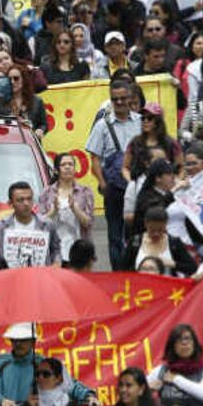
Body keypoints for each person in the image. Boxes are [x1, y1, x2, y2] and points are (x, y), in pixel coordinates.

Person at [85, 79, 140, 268]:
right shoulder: (102, 125)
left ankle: (136, 271)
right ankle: (118, 274)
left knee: (136, 234)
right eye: (115, 99)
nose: (119, 102)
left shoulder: (140, 122)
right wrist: (102, 183)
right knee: (115, 235)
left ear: (130, 98)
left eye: (123, 98)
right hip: (113, 188)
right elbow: (94, 157)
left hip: (137, 187)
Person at [0, 181, 61, 266]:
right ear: (10, 204)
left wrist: (56, 263)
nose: (26, 203)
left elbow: (56, 250)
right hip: (10, 274)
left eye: (29, 199)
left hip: (40, 274)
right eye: (20, 200)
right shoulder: (0, 226)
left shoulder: (47, 225)